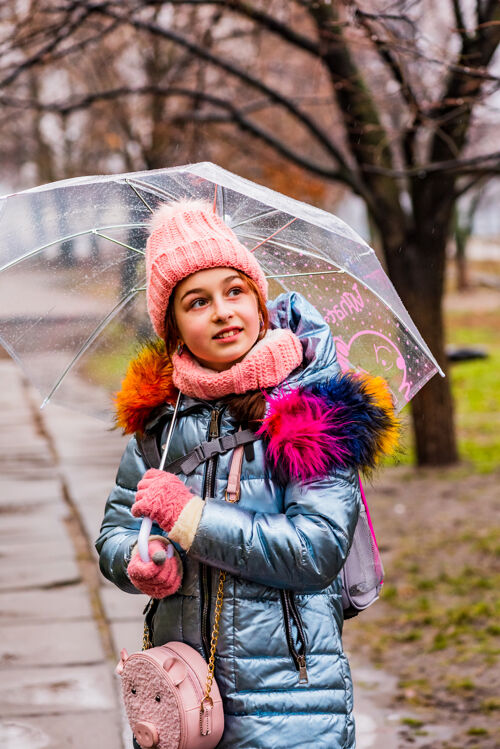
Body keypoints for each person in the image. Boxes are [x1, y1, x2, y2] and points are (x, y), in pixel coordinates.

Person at [96, 199, 398, 748]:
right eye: (197, 301)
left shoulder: (312, 410)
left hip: (289, 701)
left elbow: (315, 550)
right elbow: (115, 533)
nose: (221, 312)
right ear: (173, 328)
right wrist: (139, 561)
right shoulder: (159, 420)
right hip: (182, 696)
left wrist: (188, 519)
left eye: (235, 291)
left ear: (260, 301)